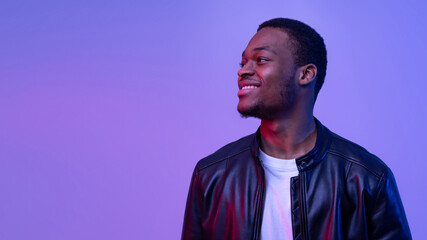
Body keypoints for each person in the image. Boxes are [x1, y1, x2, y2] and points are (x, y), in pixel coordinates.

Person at [181, 18, 411, 240]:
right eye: (243, 63)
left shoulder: (367, 178)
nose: (243, 71)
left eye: (260, 60)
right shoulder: (211, 175)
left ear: (305, 74)